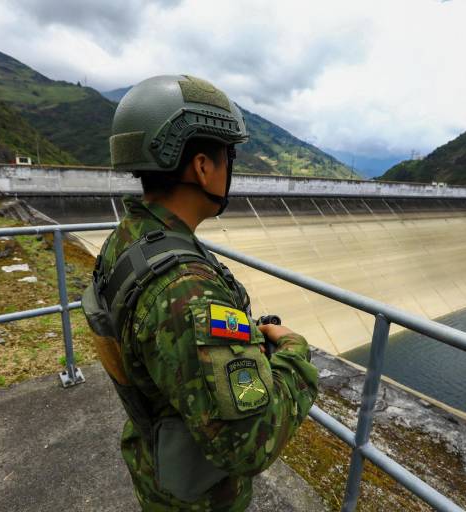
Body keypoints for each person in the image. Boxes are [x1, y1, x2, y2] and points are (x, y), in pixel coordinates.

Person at [81, 75, 319, 512]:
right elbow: (250, 445)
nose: (231, 169)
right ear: (203, 167)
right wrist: (293, 352)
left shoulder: (132, 239)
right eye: (229, 156)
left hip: (155, 460)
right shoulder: (187, 291)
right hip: (194, 498)